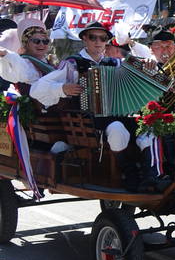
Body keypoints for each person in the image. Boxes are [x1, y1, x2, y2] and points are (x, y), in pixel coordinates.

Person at [29, 22, 151, 190]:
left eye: (103, 38)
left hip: (116, 116)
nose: (98, 42)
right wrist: (62, 89)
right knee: (117, 129)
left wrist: (148, 63)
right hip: (87, 121)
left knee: (147, 128)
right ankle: (128, 170)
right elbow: (36, 90)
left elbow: (143, 69)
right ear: (85, 39)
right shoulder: (73, 63)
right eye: (93, 37)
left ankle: (150, 173)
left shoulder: (114, 63)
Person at [0, 18, 56, 95]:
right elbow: (23, 69)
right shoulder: (24, 62)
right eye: (36, 41)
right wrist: (5, 53)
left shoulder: (46, 60)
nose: (41, 44)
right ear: (26, 44)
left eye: (45, 41)